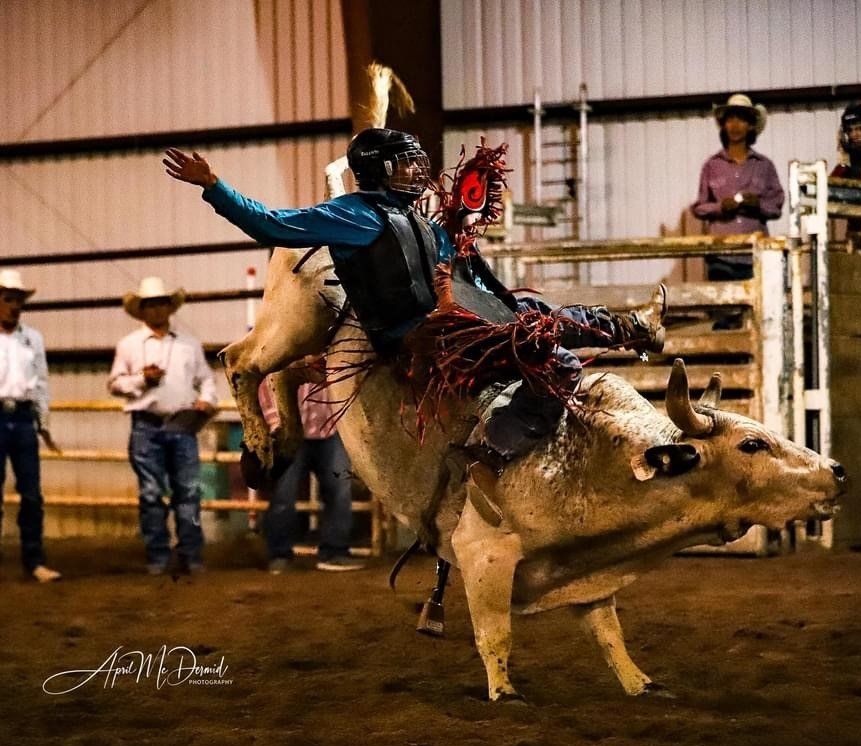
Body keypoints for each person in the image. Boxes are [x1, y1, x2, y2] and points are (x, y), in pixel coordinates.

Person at [162, 130, 664, 477]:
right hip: (414, 336)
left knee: (541, 321)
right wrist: (214, 185)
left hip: (447, 321)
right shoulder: (351, 215)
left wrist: (468, 255)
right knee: (553, 355)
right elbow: (271, 224)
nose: (417, 169)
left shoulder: (419, 221)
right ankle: (494, 452)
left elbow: (458, 276)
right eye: (405, 162)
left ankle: (633, 328)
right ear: (379, 169)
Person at [108, 277, 218, 575]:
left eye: (160, 303)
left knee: (188, 493)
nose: (156, 309)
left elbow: (206, 379)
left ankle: (190, 554)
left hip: (180, 424)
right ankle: (159, 555)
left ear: (170, 307)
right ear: (141, 310)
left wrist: (207, 399)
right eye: (150, 304)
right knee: (151, 494)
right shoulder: (128, 345)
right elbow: (115, 384)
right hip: (147, 425)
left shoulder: (189, 345)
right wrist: (143, 380)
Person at [259, 378, 364, 573]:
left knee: (339, 491)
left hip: (330, 427)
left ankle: (334, 550)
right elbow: (268, 382)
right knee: (284, 494)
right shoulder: (288, 352)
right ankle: (280, 553)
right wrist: (275, 422)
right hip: (291, 429)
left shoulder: (331, 352)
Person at [0, 270, 61, 582]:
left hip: (23, 418)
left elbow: (41, 382)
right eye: (8, 299)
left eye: (18, 301)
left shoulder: (32, 338)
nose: (14, 306)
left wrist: (43, 422)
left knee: (32, 494)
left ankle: (34, 561)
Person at [692, 93, 784, 281]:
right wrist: (720, 207)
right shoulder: (711, 165)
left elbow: (776, 206)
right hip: (720, 255)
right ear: (724, 125)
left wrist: (757, 204)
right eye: (730, 119)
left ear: (750, 125)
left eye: (741, 119)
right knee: (722, 307)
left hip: (755, 254)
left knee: (758, 309)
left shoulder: (764, 165)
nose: (735, 125)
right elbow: (699, 207)